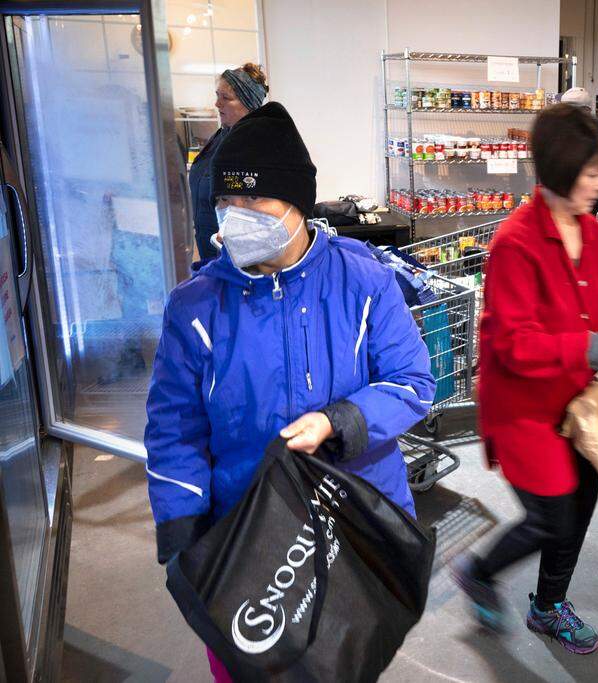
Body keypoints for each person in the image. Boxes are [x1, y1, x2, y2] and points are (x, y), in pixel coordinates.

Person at [144, 102, 435, 680]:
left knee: (343, 657)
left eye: (256, 201)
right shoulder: (195, 307)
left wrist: (341, 420)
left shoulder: (366, 280)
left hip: (353, 524)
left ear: (298, 204)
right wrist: (187, 543)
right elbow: (174, 430)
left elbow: (412, 383)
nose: (237, 216)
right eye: (228, 201)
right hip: (248, 535)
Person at [452, 104, 598, 654]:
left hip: (580, 401)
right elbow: (513, 345)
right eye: (593, 174)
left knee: (579, 506)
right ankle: (480, 571)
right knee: (552, 513)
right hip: (523, 406)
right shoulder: (515, 243)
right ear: (561, 171)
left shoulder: (596, 237)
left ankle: (547, 606)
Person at [188, 63, 268, 261]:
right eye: (217, 95)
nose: (217, 104)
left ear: (248, 104)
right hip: (210, 246)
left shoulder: (254, 142)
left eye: (226, 98)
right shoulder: (222, 135)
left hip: (235, 252)